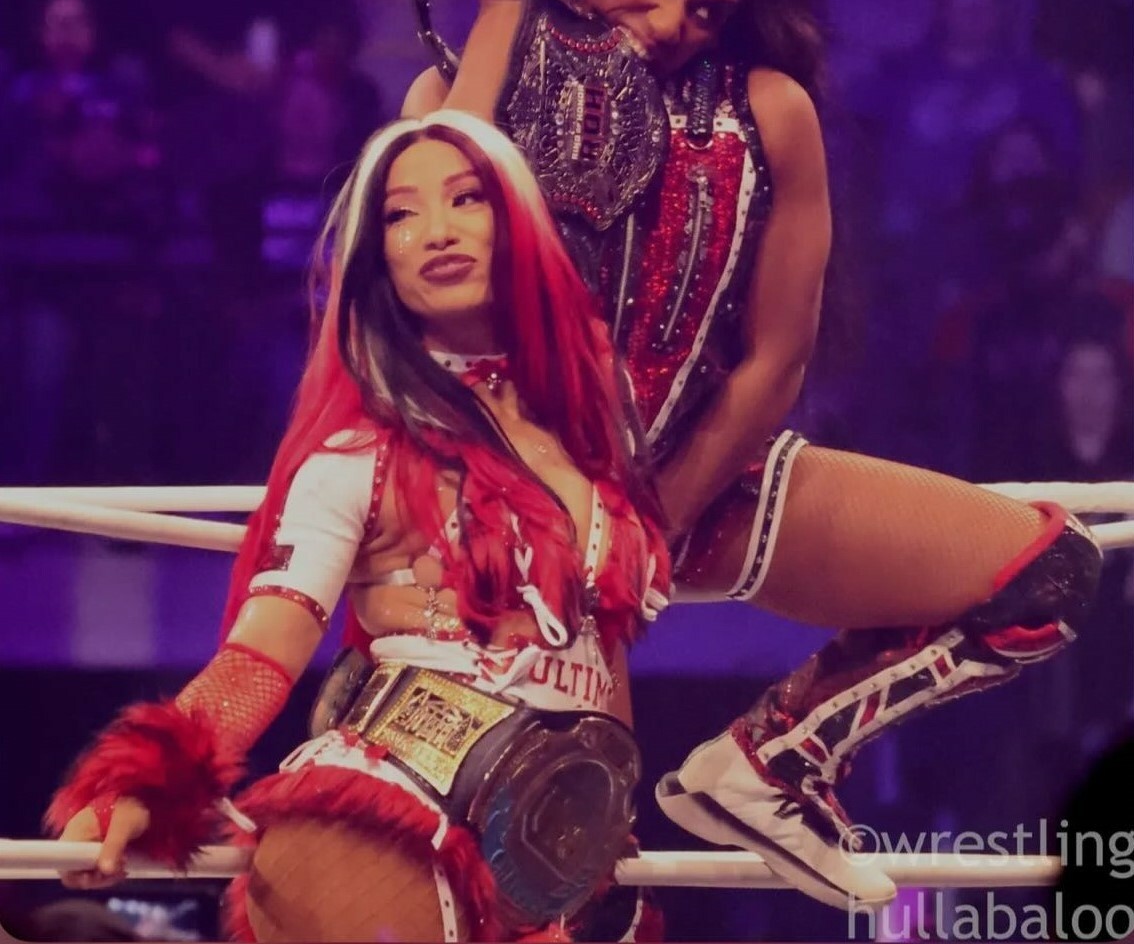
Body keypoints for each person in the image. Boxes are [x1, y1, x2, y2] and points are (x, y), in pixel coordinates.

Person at [402, 0, 1104, 910]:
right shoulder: (470, 87)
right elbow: (421, 263)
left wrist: (651, 529)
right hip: (517, 518)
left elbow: (776, 362)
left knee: (1047, 574)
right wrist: (498, 7)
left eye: (707, 8)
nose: (672, 22)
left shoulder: (768, 110)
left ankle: (776, 758)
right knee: (577, 889)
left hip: (701, 488)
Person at [45, 111, 671, 943]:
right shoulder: (359, 454)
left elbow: (602, 640)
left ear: (519, 223)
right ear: (380, 261)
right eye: (400, 215)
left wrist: (611, 818)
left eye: (467, 198)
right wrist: (143, 784)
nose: (436, 231)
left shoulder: (595, 429)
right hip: (384, 817)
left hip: (547, 846)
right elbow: (262, 651)